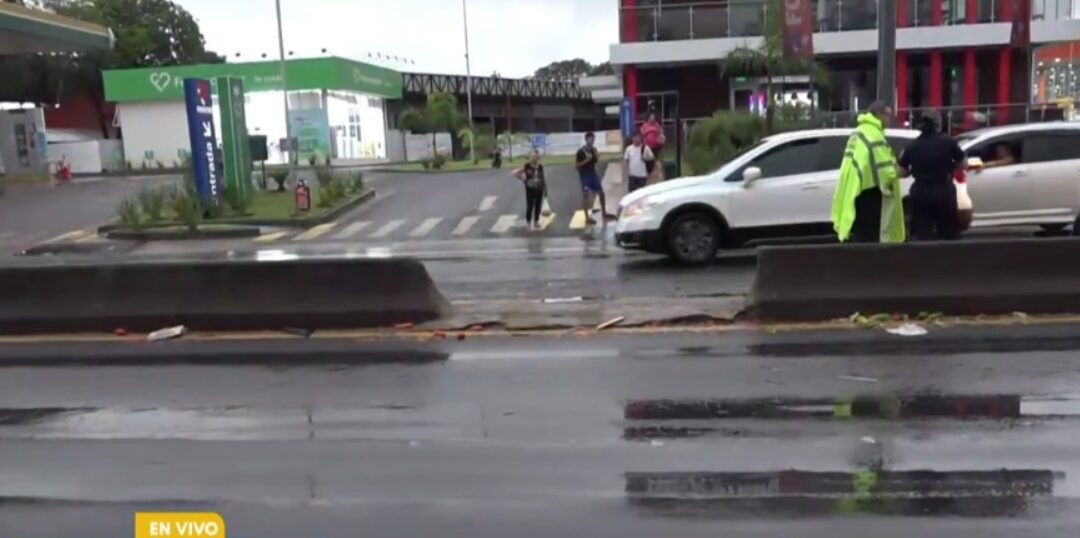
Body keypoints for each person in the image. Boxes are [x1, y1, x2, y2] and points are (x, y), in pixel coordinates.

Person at [831, 100, 906, 244]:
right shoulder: (874, 134)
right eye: (887, 115)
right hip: (871, 192)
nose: (889, 119)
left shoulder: (858, 132)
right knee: (870, 235)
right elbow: (886, 170)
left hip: (857, 189)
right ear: (879, 115)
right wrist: (902, 172)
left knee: (860, 232)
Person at [898, 110, 966, 241]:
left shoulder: (912, 145)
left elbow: (902, 171)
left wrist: (914, 171)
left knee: (922, 234)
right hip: (944, 191)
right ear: (938, 124)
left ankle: (924, 259)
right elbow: (963, 164)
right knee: (949, 233)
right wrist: (950, 167)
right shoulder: (948, 142)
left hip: (921, 193)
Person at [575, 132, 612, 225]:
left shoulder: (593, 149)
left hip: (593, 174)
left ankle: (604, 212)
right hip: (584, 176)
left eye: (593, 139)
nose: (592, 141)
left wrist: (597, 157)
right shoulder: (581, 151)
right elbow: (576, 165)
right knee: (586, 195)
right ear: (586, 139)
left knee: (601, 193)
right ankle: (587, 217)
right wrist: (586, 160)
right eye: (590, 139)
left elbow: (594, 161)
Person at [513, 150, 547, 231]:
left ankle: (536, 221)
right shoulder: (527, 166)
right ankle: (528, 222)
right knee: (530, 206)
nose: (534, 159)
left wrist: (545, 188)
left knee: (538, 206)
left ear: (538, 158)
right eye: (533, 157)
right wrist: (524, 179)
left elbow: (543, 178)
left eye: (536, 157)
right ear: (530, 158)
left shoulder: (540, 166)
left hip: (539, 189)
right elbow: (516, 173)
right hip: (530, 190)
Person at [640, 113, 665, 181]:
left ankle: (658, 175)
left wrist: (660, 138)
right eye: (651, 118)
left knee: (655, 159)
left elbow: (661, 132)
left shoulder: (657, 125)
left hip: (655, 146)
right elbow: (642, 133)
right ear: (648, 119)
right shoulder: (645, 125)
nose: (652, 119)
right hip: (647, 146)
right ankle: (648, 175)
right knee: (647, 160)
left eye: (653, 118)